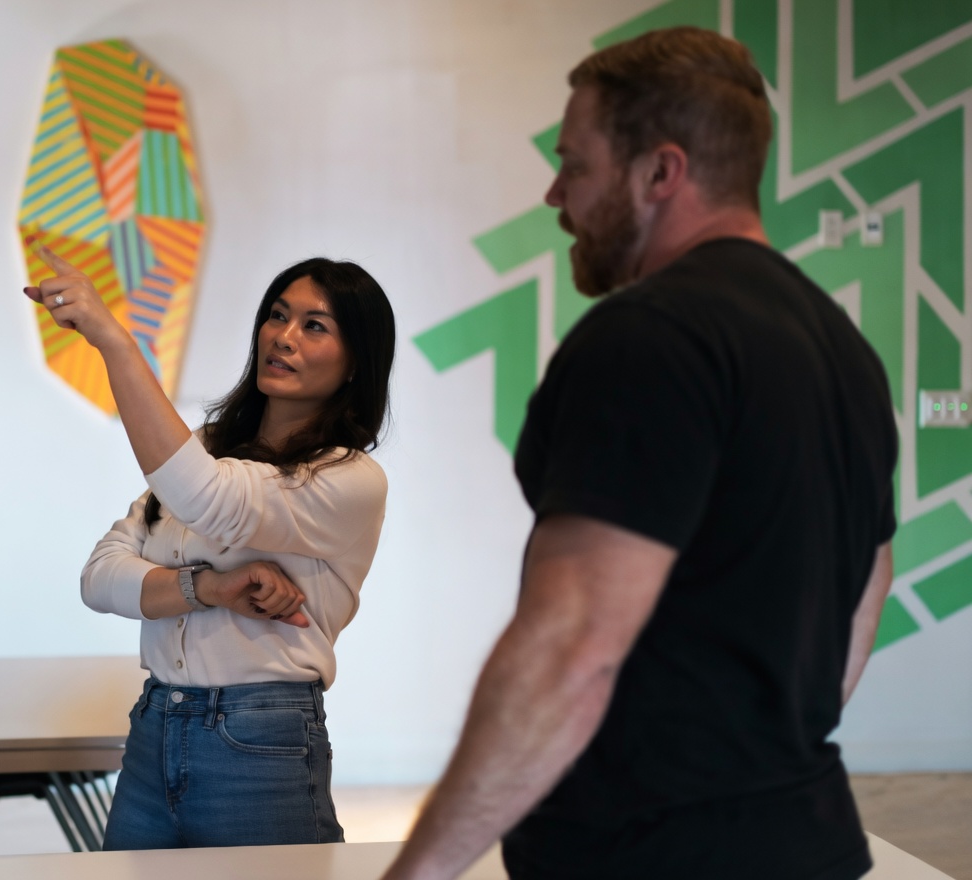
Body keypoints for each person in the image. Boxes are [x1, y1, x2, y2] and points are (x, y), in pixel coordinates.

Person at [381, 26, 897, 880]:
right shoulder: (843, 348)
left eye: (574, 164)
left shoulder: (648, 339)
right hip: (808, 841)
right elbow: (866, 595)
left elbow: (572, 649)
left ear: (661, 173)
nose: (556, 193)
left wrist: (419, 873)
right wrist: (758, 755)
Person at [24, 253, 396, 849]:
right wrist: (208, 588)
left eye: (314, 326)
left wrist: (114, 342)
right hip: (154, 725)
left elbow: (207, 499)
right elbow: (100, 576)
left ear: (357, 362)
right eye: (278, 315)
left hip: (259, 736)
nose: (284, 336)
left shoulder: (348, 478)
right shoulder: (206, 448)